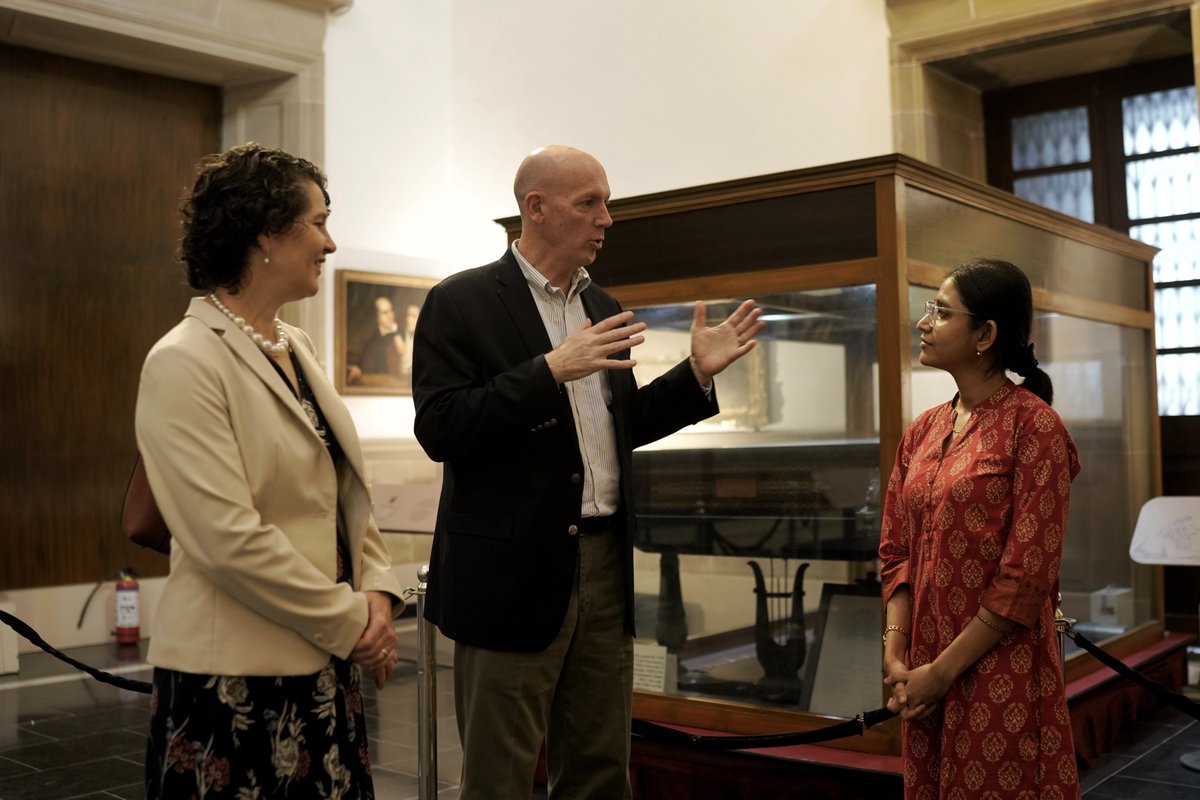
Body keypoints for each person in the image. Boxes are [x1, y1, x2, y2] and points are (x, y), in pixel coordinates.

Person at [411, 144, 765, 799]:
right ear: (535, 209)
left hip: (602, 562)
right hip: (511, 572)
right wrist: (549, 370)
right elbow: (442, 427)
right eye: (589, 203)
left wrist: (694, 378)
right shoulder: (460, 302)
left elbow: (619, 429)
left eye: (607, 203)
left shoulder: (600, 304)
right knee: (500, 776)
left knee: (601, 768)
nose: (607, 219)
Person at [136, 143, 405, 799]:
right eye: (317, 223)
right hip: (236, 678)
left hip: (321, 663)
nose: (330, 242)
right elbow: (225, 538)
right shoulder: (185, 360)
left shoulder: (297, 347)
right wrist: (350, 623)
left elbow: (344, 492)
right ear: (264, 234)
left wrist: (376, 591)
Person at [878, 258, 1081, 799]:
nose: (924, 323)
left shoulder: (1034, 426)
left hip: (998, 670)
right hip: (922, 669)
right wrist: (897, 654)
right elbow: (895, 551)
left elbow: (1027, 577)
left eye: (941, 312)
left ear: (985, 334)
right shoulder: (924, 429)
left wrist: (944, 671)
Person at [346, 296, 418, 385]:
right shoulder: (372, 341)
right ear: (376, 317)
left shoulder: (405, 331)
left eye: (391, 310)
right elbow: (366, 364)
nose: (390, 315)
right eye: (385, 313)